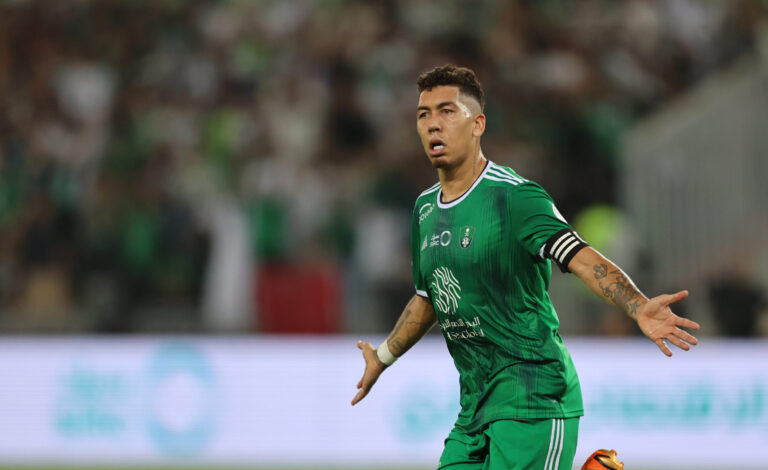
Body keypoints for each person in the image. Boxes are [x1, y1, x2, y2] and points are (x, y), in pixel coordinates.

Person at [351, 65, 699, 470]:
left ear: (477, 123)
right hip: (474, 409)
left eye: (447, 111)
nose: (433, 124)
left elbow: (581, 257)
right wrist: (385, 355)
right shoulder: (425, 209)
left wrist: (637, 305)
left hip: (533, 399)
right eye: (423, 114)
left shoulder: (513, 197)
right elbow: (429, 297)